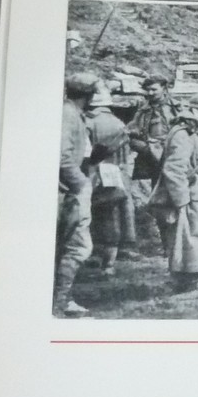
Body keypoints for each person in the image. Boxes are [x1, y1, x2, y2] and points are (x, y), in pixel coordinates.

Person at [155, 107, 198, 292]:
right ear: (196, 111)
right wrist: (181, 200)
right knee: (189, 243)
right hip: (191, 199)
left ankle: (193, 281)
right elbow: (174, 169)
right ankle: (191, 283)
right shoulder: (183, 134)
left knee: (196, 241)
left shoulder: (192, 131)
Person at [54, 71, 100, 317]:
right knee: (78, 246)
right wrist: (80, 184)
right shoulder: (69, 116)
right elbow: (62, 157)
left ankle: (62, 300)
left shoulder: (72, 113)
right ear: (88, 95)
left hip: (69, 188)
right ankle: (59, 305)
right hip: (70, 190)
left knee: (66, 246)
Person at [85, 87, 137, 275]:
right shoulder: (118, 123)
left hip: (92, 175)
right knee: (113, 216)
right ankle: (109, 263)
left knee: (90, 215)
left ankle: (92, 256)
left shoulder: (88, 123)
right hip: (116, 174)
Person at [127, 74, 179, 245]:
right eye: (147, 89)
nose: (150, 93)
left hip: (177, 160)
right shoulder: (142, 111)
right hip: (154, 162)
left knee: (180, 198)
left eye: (154, 89)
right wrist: (145, 148)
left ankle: (180, 240)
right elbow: (130, 135)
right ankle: (166, 242)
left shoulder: (177, 108)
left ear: (164, 89)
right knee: (160, 201)